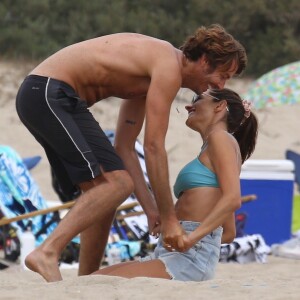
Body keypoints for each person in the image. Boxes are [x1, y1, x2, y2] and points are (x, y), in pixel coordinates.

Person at [15, 24, 247, 282]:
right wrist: (169, 219)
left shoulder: (150, 77)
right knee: (118, 183)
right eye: (223, 75)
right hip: (49, 93)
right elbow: (153, 146)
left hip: (49, 96)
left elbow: (124, 147)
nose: (220, 85)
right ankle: (47, 251)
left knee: (102, 192)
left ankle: (87, 280)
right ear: (204, 61)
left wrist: (151, 209)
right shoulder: (169, 66)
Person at [92, 88, 258, 281]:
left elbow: (233, 199)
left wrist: (191, 238)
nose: (189, 105)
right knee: (95, 278)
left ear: (220, 106)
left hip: (189, 256)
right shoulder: (215, 145)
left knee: (101, 282)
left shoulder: (220, 138)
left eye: (197, 98)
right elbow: (228, 232)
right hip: (174, 251)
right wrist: (177, 227)